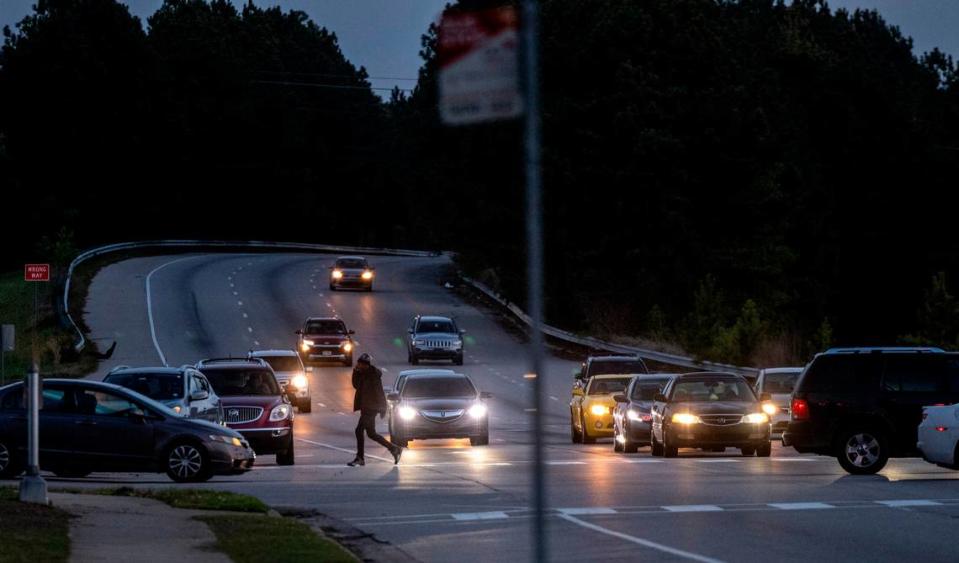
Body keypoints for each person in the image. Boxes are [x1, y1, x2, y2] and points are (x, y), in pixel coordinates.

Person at [348, 353, 402, 466]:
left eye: (359, 364)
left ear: (365, 365)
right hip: (366, 408)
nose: (358, 365)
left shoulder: (373, 376)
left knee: (359, 430)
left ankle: (360, 458)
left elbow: (380, 393)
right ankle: (394, 449)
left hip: (370, 409)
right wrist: (355, 372)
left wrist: (383, 408)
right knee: (371, 434)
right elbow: (356, 385)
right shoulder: (363, 374)